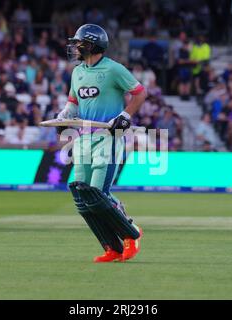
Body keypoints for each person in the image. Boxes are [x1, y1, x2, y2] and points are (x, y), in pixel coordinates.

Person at [58, 24, 146, 263]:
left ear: (91, 44)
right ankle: (112, 247)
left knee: (98, 194)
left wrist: (125, 116)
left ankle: (132, 233)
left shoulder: (114, 69)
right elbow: (73, 102)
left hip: (108, 137)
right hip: (82, 137)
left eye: (79, 42)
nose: (75, 46)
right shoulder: (77, 72)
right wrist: (64, 114)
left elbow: (139, 93)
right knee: (83, 198)